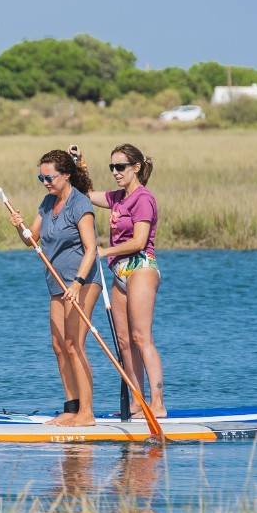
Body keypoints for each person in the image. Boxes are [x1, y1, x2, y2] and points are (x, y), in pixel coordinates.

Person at [6, 150, 101, 426]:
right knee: (59, 346)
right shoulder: (47, 202)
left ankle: (87, 413)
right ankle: (71, 408)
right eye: (41, 177)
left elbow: (91, 248)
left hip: (81, 281)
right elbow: (31, 240)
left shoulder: (79, 204)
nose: (45, 182)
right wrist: (19, 226)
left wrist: (78, 282)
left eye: (50, 177)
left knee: (75, 345)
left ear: (66, 175)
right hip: (56, 284)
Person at [74, 143, 166, 418]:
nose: (115, 172)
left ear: (135, 168)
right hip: (119, 272)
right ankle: (137, 404)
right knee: (124, 342)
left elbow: (139, 241)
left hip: (141, 268)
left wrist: (104, 251)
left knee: (141, 338)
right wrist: (81, 163)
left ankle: (158, 404)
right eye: (112, 167)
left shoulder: (143, 198)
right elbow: (85, 194)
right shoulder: (117, 198)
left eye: (121, 167)